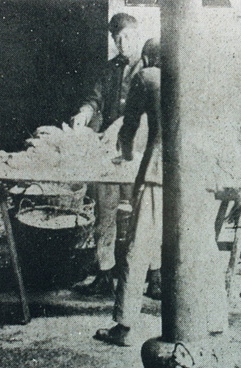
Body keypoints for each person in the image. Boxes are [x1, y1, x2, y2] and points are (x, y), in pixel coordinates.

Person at [94, 38, 161, 346]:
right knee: (199, 246)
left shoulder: (146, 77)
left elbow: (129, 128)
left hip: (158, 173)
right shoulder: (194, 75)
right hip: (195, 175)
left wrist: (127, 155)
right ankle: (214, 323)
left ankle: (125, 327)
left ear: (145, 59)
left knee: (138, 247)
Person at [71, 13, 144, 296]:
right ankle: (104, 272)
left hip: (137, 149)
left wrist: (123, 125)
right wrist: (84, 113)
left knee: (143, 212)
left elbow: (149, 111)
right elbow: (95, 98)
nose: (122, 43)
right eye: (117, 38)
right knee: (105, 209)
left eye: (127, 37)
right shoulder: (110, 68)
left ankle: (153, 274)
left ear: (136, 35)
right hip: (109, 151)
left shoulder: (148, 67)